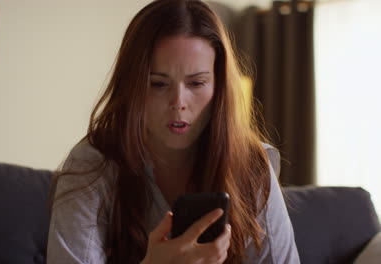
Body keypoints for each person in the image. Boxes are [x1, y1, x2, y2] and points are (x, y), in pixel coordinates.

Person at [46, 0, 300, 263]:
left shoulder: (251, 164)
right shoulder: (92, 163)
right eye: (158, 84)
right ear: (131, 87)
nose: (178, 101)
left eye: (197, 83)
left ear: (219, 87)